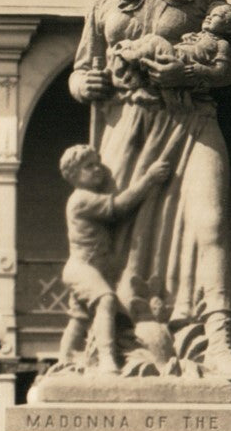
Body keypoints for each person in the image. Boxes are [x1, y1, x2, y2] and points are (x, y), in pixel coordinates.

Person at [69, 0, 231, 378]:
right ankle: (131, 343)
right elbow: (82, 66)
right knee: (125, 251)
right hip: (127, 128)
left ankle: (218, 344)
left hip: (191, 118)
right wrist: (82, 83)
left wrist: (190, 74)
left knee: (210, 223)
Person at [58, 144, 171, 373]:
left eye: (98, 163)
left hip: (92, 267)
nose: (97, 169)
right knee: (106, 300)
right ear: (73, 174)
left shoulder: (88, 196)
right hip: (81, 266)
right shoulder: (81, 199)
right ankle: (107, 358)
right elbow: (119, 207)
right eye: (89, 166)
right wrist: (149, 178)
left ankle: (65, 357)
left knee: (79, 317)